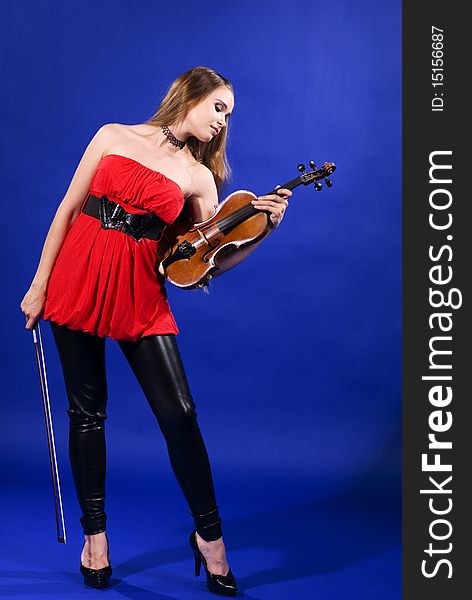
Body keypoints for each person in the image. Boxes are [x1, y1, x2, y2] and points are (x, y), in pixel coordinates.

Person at [20, 66, 291, 595]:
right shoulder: (113, 135)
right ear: (189, 95)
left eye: (228, 116)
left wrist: (263, 233)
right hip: (76, 275)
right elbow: (69, 208)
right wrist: (39, 283)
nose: (222, 122)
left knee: (180, 415)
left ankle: (210, 539)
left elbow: (204, 263)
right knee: (86, 411)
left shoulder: (199, 177)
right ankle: (94, 538)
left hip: (141, 293)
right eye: (218, 107)